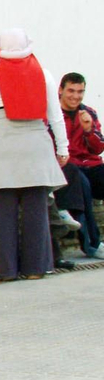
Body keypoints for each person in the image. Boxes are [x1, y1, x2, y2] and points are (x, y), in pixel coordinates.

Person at [0, 28, 67, 280]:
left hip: (2, 144)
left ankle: (6, 271)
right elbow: (55, 116)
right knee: (36, 209)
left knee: (5, 212)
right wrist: (62, 147)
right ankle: (35, 268)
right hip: (35, 144)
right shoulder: (44, 74)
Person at [59, 72, 104, 257]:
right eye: (71, 90)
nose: (75, 96)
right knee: (82, 186)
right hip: (68, 167)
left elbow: (98, 148)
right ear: (60, 90)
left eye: (80, 91)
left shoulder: (89, 112)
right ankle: (92, 245)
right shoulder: (51, 113)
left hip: (90, 164)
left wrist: (88, 130)